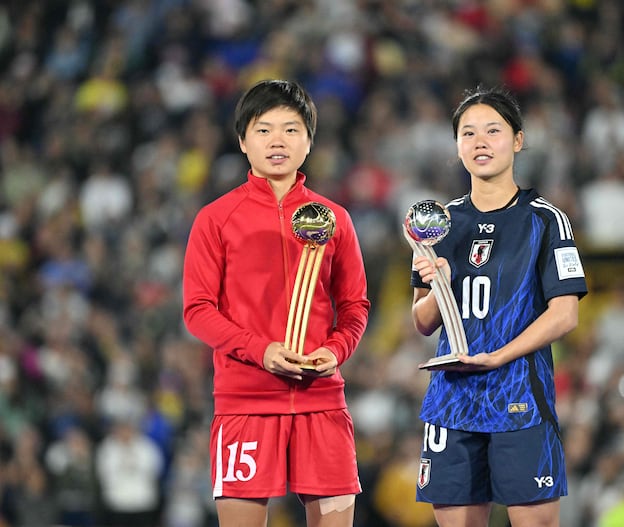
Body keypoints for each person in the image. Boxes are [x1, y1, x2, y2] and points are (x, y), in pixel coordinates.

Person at [183, 79, 370, 527]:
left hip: (321, 400)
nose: (277, 141)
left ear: (309, 140)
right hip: (245, 401)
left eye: (290, 129)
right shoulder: (216, 218)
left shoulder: (335, 219)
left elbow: (355, 305)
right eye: (263, 130)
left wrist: (336, 350)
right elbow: (197, 310)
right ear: (243, 141)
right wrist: (259, 350)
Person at [409, 85, 588, 527]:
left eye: (493, 130)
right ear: (456, 146)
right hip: (452, 401)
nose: (480, 142)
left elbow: (566, 313)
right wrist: (439, 288)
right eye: (468, 134)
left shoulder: (545, 218)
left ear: (519, 140)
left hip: (520, 396)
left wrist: (499, 357)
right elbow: (423, 322)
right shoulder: (437, 224)